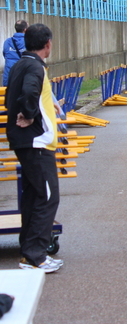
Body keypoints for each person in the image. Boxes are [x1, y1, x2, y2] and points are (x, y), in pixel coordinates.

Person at [6, 23, 63, 273]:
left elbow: (17, 94)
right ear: (47, 44)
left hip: (27, 141)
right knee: (48, 196)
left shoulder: (20, 63)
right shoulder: (34, 66)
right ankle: (35, 256)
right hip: (37, 142)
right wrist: (28, 115)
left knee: (32, 196)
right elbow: (29, 92)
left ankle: (29, 252)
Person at [3, 20, 28, 86]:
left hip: (9, 76)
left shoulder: (7, 42)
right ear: (25, 30)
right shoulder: (28, 42)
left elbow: (5, 54)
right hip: (23, 76)